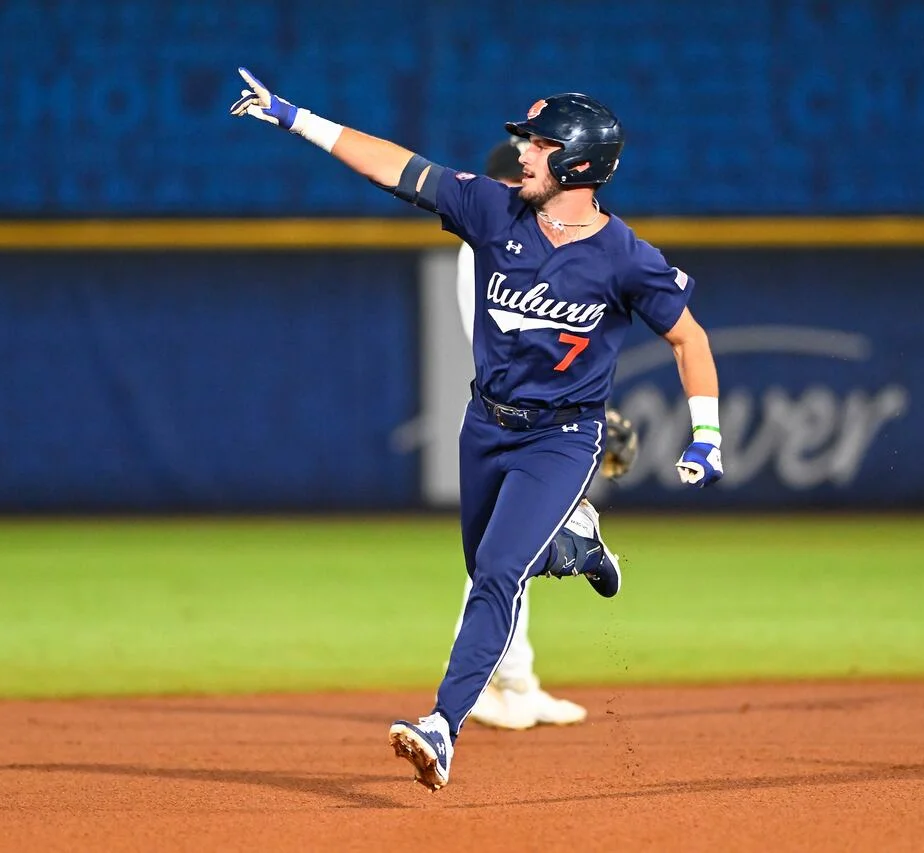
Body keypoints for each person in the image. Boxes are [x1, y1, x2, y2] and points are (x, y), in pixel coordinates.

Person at [231, 71, 725, 791]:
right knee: (489, 565)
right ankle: (573, 544)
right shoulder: (493, 211)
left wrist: (706, 435)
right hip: (485, 428)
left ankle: (443, 723)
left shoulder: (626, 258)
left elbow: (691, 341)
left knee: (495, 576)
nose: (521, 152)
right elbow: (395, 166)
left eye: (539, 143)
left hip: (563, 437)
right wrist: (294, 116)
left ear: (578, 162)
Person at [455, 138, 642, 732]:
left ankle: (515, 681)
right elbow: (512, 343)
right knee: (496, 561)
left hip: (533, 411)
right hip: (507, 414)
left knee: (502, 559)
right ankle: (496, 684)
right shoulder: (492, 242)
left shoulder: (545, 239)